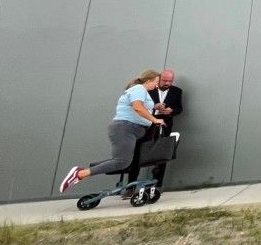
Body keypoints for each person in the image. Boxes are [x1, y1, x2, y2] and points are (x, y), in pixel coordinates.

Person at [59, 70, 168, 192]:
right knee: (122, 162)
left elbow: (140, 107)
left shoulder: (142, 91)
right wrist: (155, 120)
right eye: (156, 82)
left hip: (131, 130)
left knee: (125, 161)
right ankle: (80, 174)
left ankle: (85, 170)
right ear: (148, 81)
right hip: (125, 128)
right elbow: (138, 107)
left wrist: (155, 107)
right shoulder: (138, 89)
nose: (157, 85)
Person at [122, 68, 184, 197]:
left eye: (170, 81)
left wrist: (170, 111)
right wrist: (155, 108)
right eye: (165, 80)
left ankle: (157, 185)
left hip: (164, 126)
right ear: (158, 79)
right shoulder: (147, 88)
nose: (167, 83)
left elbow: (179, 108)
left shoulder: (177, 91)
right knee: (137, 153)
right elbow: (138, 105)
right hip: (145, 125)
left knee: (162, 155)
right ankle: (131, 187)